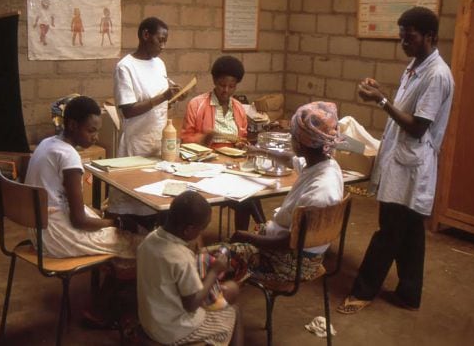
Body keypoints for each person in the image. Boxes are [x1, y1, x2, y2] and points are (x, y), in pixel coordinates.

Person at [337, 6, 454, 315]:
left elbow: (417, 126)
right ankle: (409, 293)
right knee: (411, 233)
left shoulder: (437, 74)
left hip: (411, 166)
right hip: (403, 161)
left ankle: (363, 291)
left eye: (410, 38)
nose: (405, 44)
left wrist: (382, 101)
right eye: (402, 38)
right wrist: (382, 93)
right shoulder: (416, 65)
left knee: (388, 232)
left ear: (430, 36)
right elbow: (405, 109)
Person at [209, 101, 344, 283]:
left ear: (302, 144)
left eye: (292, 135)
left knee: (209, 259)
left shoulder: (320, 192)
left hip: (290, 261)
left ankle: (212, 298)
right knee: (232, 243)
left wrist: (248, 237)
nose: (290, 139)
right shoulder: (324, 165)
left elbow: (289, 243)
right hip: (299, 249)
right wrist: (260, 151)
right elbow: (291, 160)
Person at [24, 96, 144, 259]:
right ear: (73, 125)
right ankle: (117, 281)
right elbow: (79, 221)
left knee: (100, 217)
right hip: (56, 236)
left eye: (97, 131)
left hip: (36, 228)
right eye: (91, 130)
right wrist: (115, 223)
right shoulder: (69, 156)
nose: (95, 137)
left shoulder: (47, 143)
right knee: (138, 242)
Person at [137, 191, 243, 346]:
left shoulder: (149, 241)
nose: (201, 233)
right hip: (175, 331)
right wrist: (214, 271)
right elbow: (192, 305)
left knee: (224, 295)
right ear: (188, 230)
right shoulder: (180, 257)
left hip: (151, 323)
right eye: (201, 229)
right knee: (234, 312)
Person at [107, 17, 183, 226]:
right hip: (136, 144)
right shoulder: (126, 67)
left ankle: (152, 242)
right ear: (145, 35)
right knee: (133, 202)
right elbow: (128, 110)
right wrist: (163, 97)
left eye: (165, 41)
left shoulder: (159, 64)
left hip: (158, 141)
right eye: (160, 40)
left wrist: (174, 97)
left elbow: (161, 104)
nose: (163, 46)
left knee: (157, 200)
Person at [180, 55, 263, 231]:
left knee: (250, 191)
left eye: (231, 86)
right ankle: (259, 230)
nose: (226, 90)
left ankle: (246, 234)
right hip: (205, 166)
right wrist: (205, 138)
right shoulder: (197, 104)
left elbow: (242, 137)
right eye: (221, 85)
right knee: (246, 194)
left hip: (230, 166)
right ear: (214, 81)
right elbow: (185, 140)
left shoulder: (239, 108)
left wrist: (241, 144)